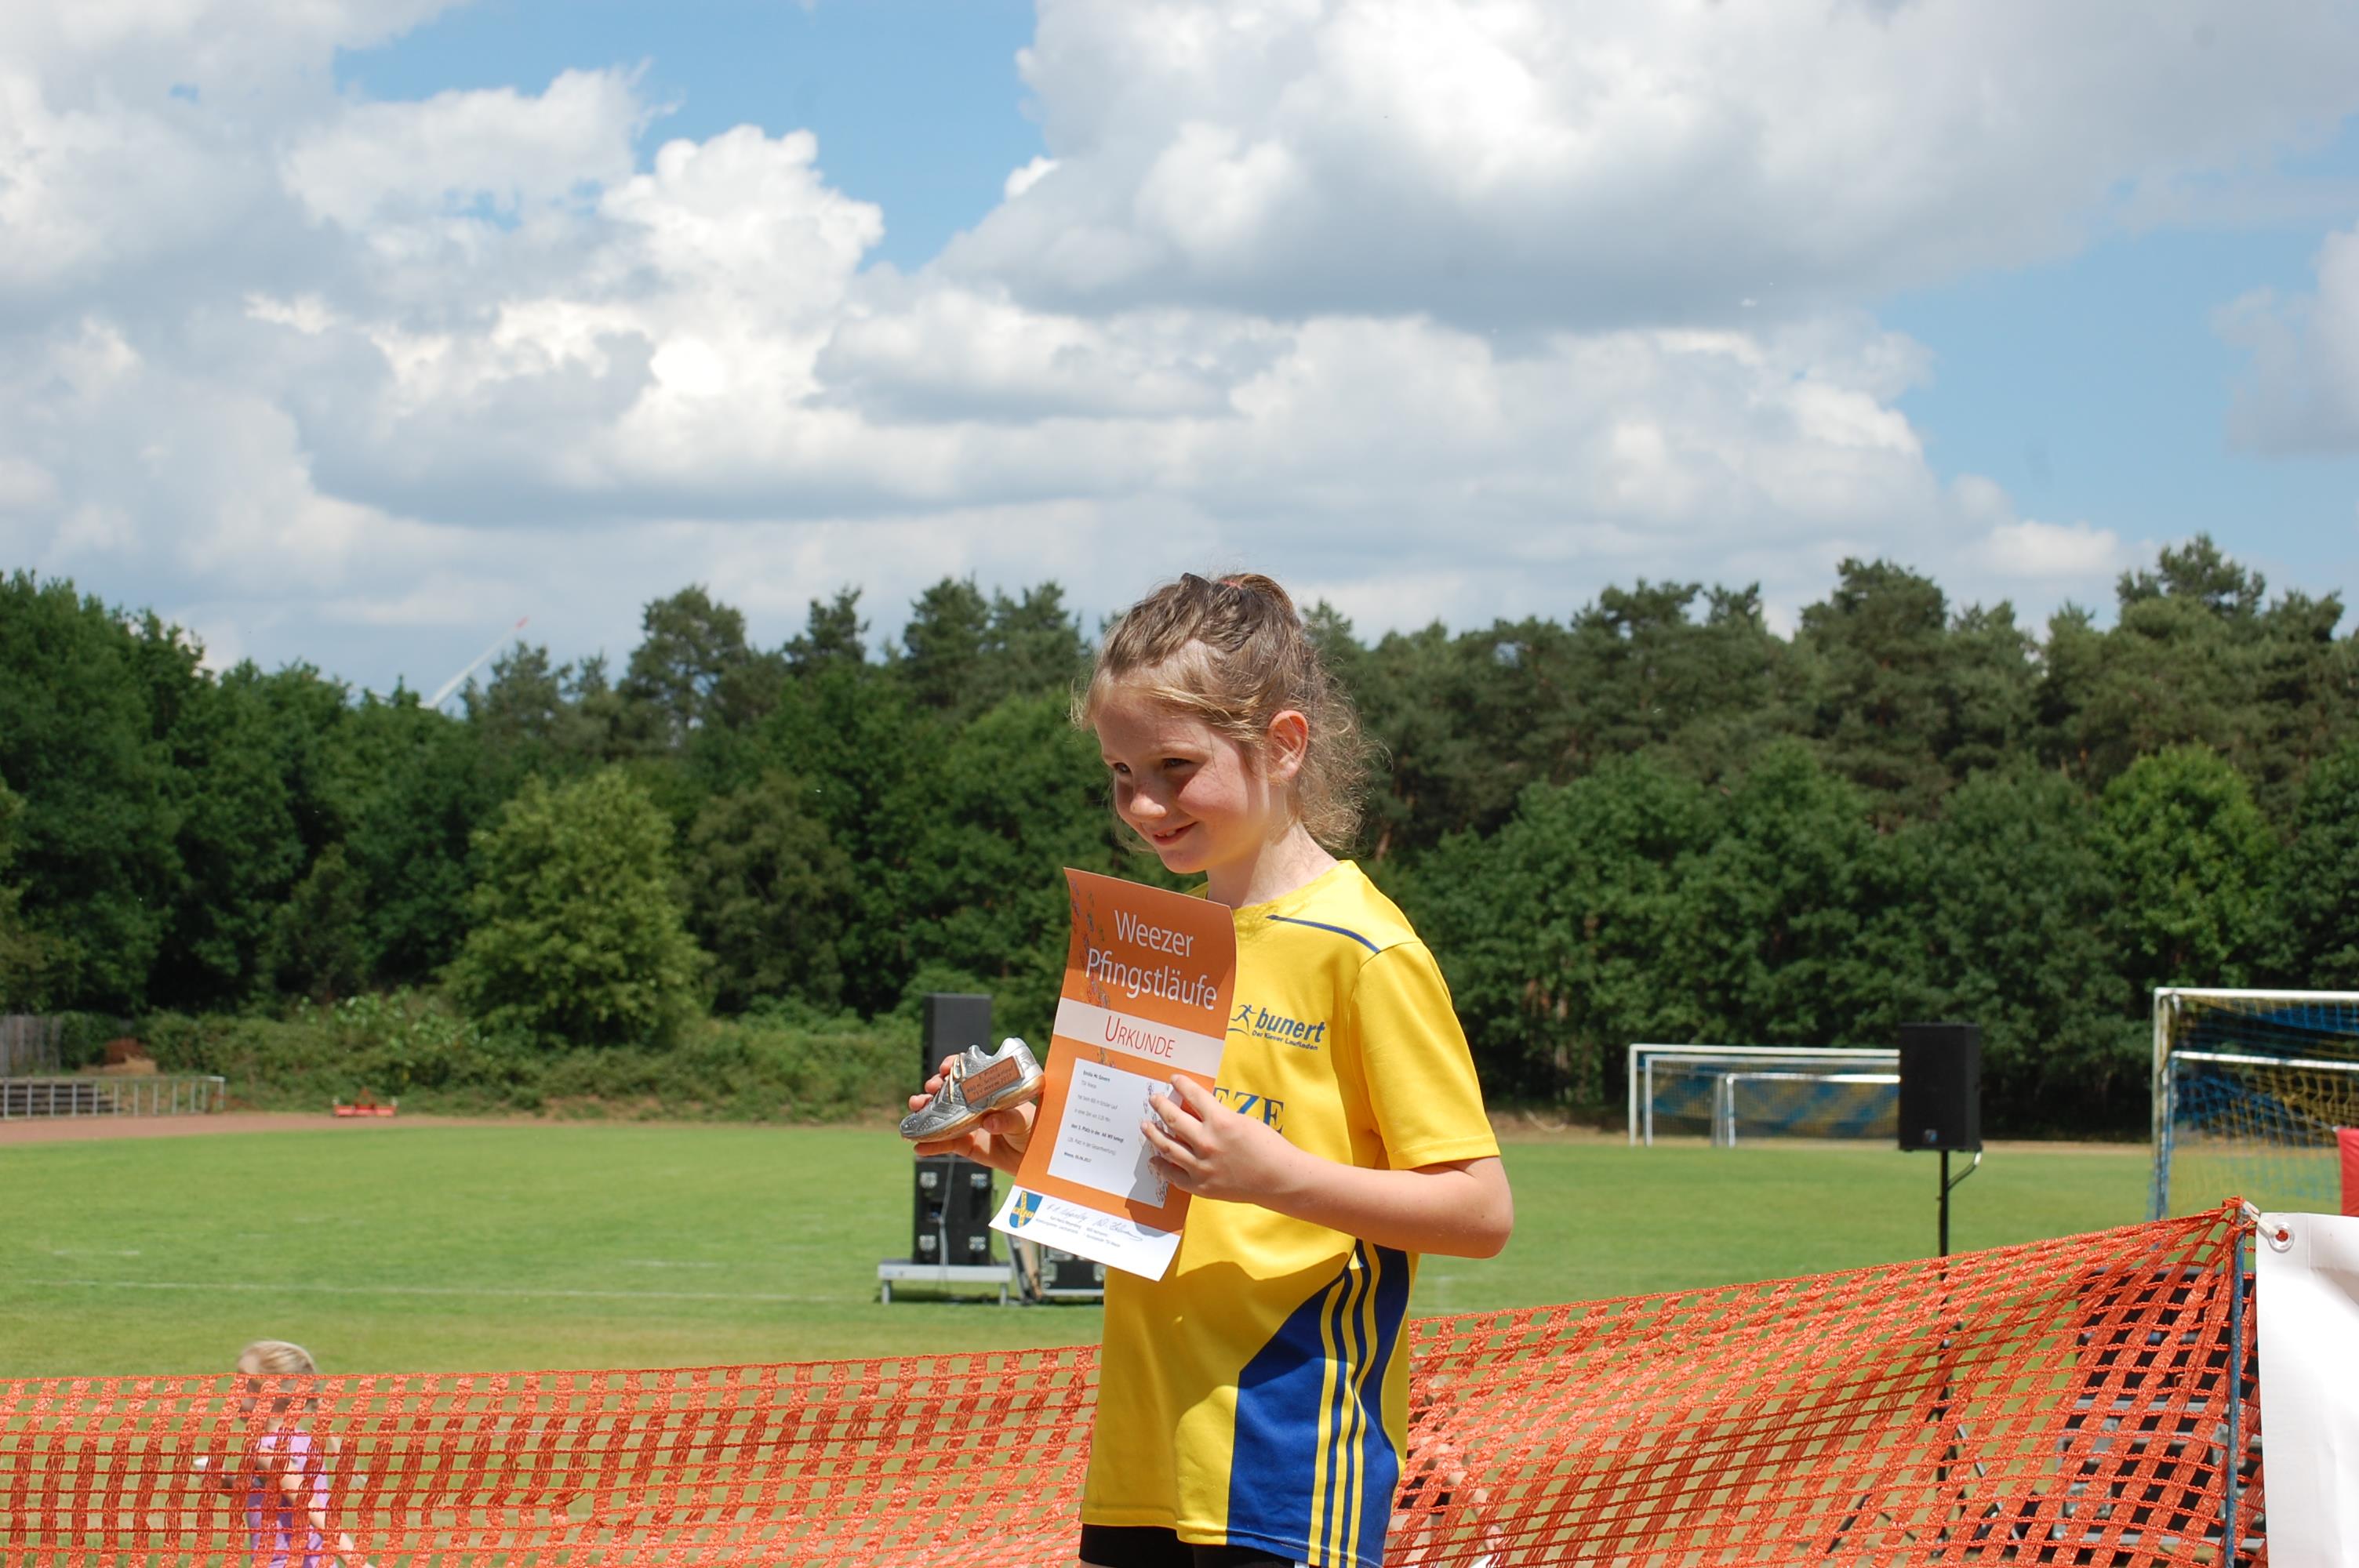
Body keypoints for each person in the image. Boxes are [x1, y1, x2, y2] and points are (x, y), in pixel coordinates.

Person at [908, 572, 1514, 1568]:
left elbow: (1479, 1210)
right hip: (1146, 1435)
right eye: (1119, 770)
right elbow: (1157, 1191)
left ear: (1282, 744)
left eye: (1174, 766)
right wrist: (1016, 1148)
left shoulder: (1365, 951)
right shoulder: (1160, 942)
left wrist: (1275, 1175)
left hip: (1288, 1437)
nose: (1142, 802)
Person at [196, 1339, 372, 1568]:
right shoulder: (302, 1440)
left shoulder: (267, 1452)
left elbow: (309, 1506)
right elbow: (273, 1492)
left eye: (243, 1382)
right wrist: (225, 1482)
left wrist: (358, 1563)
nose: (233, 1390)